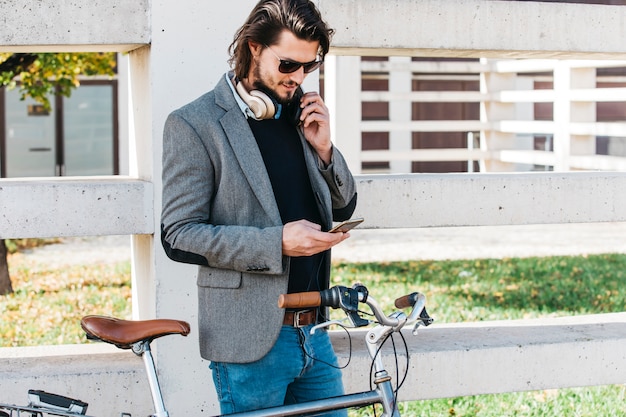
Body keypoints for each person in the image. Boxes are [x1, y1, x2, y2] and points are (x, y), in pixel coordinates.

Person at [160, 0, 357, 414]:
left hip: (317, 333)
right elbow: (178, 236)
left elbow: (344, 205)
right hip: (249, 342)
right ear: (253, 47)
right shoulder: (195, 125)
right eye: (288, 64)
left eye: (310, 65)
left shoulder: (301, 116)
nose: (298, 77)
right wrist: (277, 243)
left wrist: (324, 150)